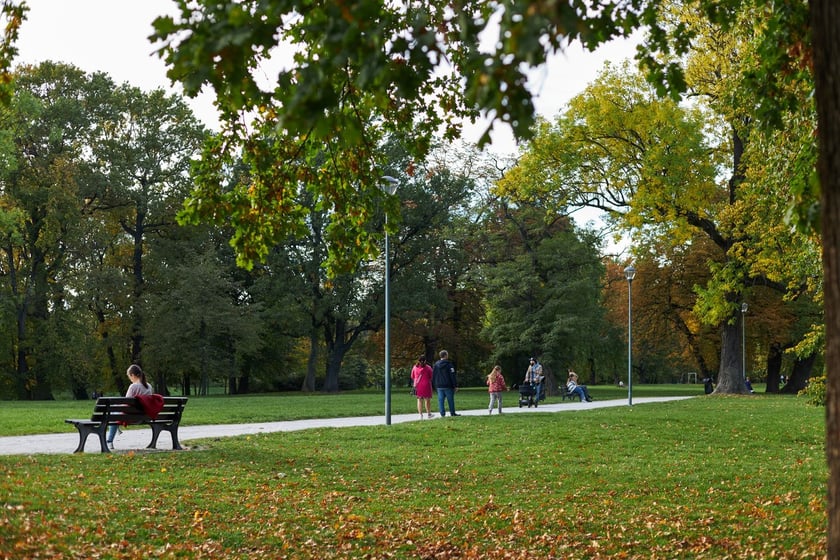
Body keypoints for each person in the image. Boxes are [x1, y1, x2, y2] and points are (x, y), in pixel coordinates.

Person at [106, 364, 154, 449]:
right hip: (144, 416)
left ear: (132, 375)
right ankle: (116, 429)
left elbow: (126, 402)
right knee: (115, 411)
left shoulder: (133, 386)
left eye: (129, 376)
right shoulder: (149, 386)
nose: (130, 379)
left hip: (131, 417)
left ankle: (110, 441)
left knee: (112, 413)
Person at [432, 349, 459, 417]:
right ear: (446, 355)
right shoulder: (449, 365)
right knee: (450, 400)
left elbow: (434, 375)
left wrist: (435, 384)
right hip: (448, 385)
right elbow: (452, 375)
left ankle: (442, 413)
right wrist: (455, 385)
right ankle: (452, 412)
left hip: (439, 385)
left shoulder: (436, 365)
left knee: (441, 400)